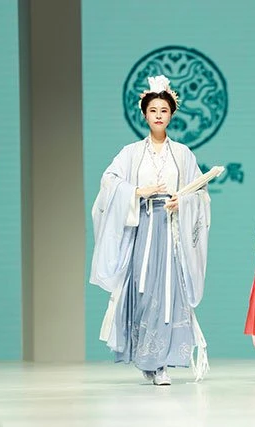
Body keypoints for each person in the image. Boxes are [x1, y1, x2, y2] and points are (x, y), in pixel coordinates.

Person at [90, 75, 210, 386]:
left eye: (164, 110)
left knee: (167, 292)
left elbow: (200, 191)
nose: (158, 115)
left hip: (170, 229)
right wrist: (135, 192)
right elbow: (109, 180)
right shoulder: (131, 152)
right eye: (153, 110)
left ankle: (160, 363)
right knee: (143, 292)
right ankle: (146, 356)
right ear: (144, 114)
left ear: (172, 115)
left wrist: (183, 201)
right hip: (142, 227)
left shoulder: (182, 153)